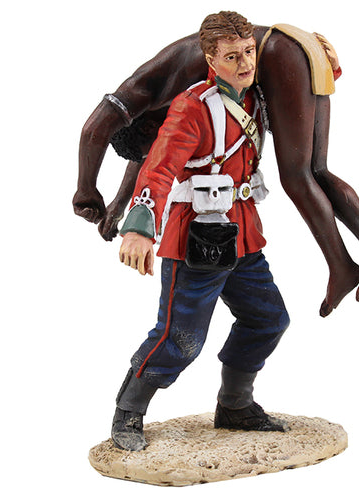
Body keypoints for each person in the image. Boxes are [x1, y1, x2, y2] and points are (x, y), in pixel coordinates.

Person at [112, 11, 292, 452]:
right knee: (180, 339)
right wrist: (140, 227)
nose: (245, 63)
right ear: (211, 60)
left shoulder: (257, 98)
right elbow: (159, 168)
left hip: (243, 236)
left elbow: (308, 84)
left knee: (268, 319)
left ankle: (235, 404)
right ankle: (128, 412)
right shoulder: (192, 106)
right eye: (232, 56)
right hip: (196, 241)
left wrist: (323, 54)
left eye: (249, 52)